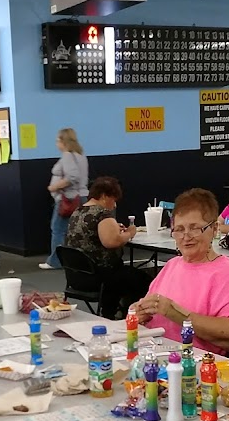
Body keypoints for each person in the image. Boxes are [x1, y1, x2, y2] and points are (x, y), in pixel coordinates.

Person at [132, 188, 229, 355]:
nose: (186, 236)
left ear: (214, 229)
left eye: (194, 228)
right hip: (156, 358)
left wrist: (176, 314)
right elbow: (152, 311)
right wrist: (141, 313)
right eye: (179, 229)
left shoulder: (227, 272)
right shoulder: (172, 266)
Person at [64, 176, 151, 318]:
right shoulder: (102, 214)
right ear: (104, 196)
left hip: (77, 275)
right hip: (102, 276)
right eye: (114, 199)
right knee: (144, 281)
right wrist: (130, 232)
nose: (115, 205)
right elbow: (113, 242)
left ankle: (119, 310)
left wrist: (113, 228)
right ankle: (130, 314)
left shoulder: (78, 211)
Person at [39, 128, 89, 270]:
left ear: (64, 141)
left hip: (68, 199)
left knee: (58, 230)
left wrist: (53, 187)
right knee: (78, 231)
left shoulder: (67, 156)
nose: (56, 143)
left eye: (57, 140)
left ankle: (55, 261)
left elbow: (72, 177)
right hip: (81, 197)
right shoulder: (81, 156)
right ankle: (78, 260)